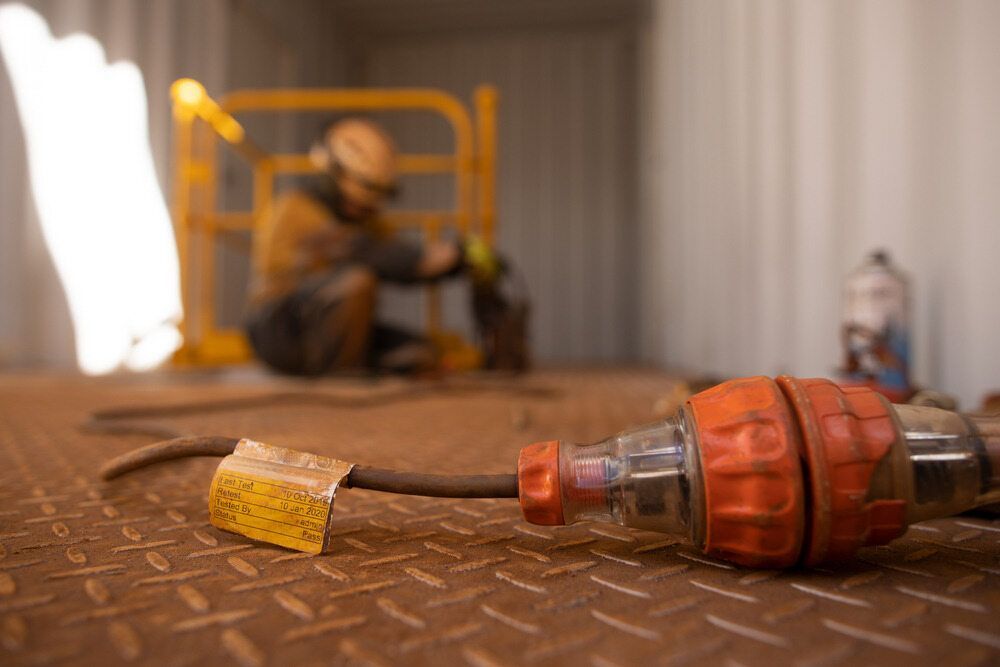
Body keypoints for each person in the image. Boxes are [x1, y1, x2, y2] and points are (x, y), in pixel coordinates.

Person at [246, 118, 493, 376]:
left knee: (420, 354)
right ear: (334, 178)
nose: (366, 209)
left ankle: (350, 369)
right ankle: (340, 384)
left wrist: (458, 263)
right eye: (360, 202)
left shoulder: (363, 222)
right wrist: (439, 256)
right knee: (357, 282)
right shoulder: (295, 210)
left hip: (332, 332)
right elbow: (372, 253)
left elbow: (399, 257)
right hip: (279, 330)